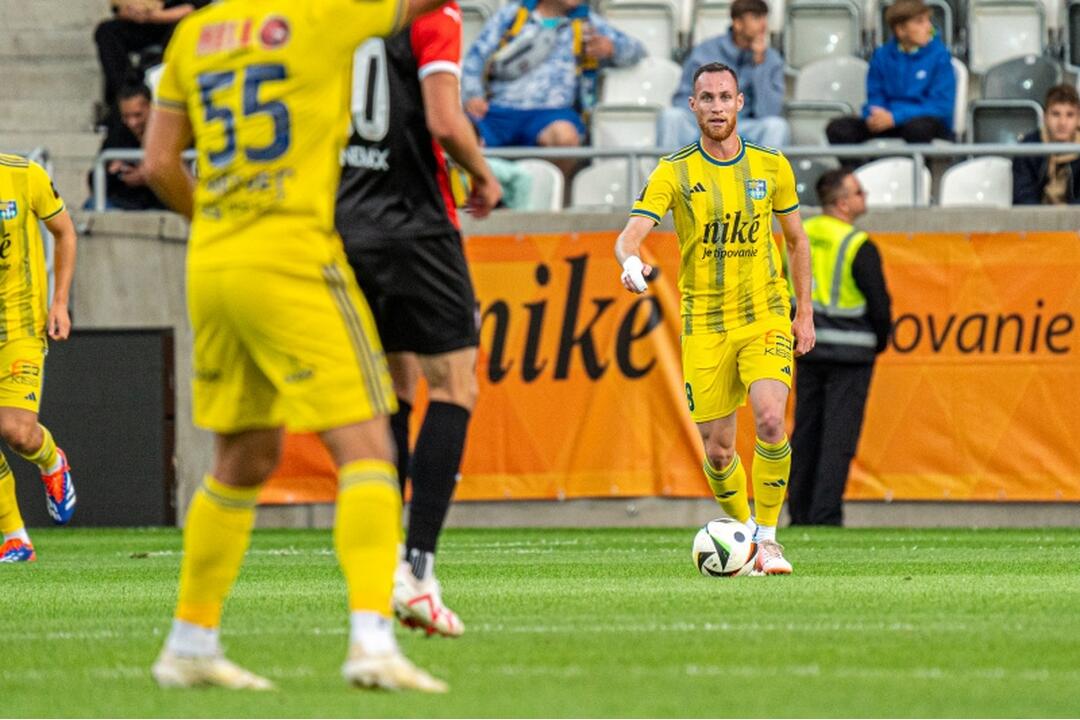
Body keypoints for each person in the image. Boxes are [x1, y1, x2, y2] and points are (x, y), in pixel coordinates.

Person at [143, 0, 453, 693]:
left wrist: (222, 222)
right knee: (370, 448)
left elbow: (159, 162)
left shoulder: (194, 34)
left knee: (244, 455)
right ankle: (372, 640)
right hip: (291, 256)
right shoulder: (324, 17)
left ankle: (190, 640)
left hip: (215, 262)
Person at [336, 2, 502, 639]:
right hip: (418, 225)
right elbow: (443, 118)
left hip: (346, 223)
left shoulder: (343, 14)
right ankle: (418, 568)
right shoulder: (436, 12)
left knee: (393, 391)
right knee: (456, 385)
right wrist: (483, 174)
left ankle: (381, 562)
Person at [614, 62, 815, 574]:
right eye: (707, 98)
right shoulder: (674, 171)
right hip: (704, 323)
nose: (717, 107)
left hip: (764, 314)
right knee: (721, 451)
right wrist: (631, 260)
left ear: (740, 103)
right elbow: (630, 233)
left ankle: (768, 540)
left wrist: (804, 311)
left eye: (725, 97)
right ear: (693, 106)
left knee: (771, 419)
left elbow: (796, 241)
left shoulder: (771, 165)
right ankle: (744, 532)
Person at [787, 169, 892, 526]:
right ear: (843, 202)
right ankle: (826, 514)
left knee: (805, 432)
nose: (865, 198)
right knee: (838, 437)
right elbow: (880, 306)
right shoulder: (857, 244)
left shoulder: (800, 234)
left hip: (807, 347)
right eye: (860, 192)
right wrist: (879, 342)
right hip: (851, 353)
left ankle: (799, 513)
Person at [461, 0, 645, 174]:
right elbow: (474, 59)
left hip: (551, 114)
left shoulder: (587, 23)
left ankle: (545, 198)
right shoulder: (511, 16)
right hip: (499, 112)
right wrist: (473, 95)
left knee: (564, 137)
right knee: (458, 132)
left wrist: (612, 48)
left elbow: (638, 51)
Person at [0, 155, 78, 563]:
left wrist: (60, 303)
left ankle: (51, 459)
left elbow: (64, 233)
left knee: (16, 432)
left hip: (18, 327)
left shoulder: (23, 174)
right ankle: (15, 538)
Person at [656, 0, 789, 151]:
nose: (764, 25)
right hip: (704, 122)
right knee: (672, 117)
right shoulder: (704, 51)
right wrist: (709, 118)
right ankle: (670, 174)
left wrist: (760, 66)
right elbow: (682, 98)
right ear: (738, 23)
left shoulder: (771, 59)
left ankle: (762, 176)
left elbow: (768, 112)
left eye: (765, 17)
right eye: (756, 17)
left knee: (777, 126)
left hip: (743, 125)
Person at [826, 0, 954, 149]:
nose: (929, 27)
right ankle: (857, 171)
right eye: (920, 22)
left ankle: (921, 172)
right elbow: (875, 96)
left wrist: (896, 117)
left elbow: (941, 106)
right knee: (839, 129)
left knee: (918, 129)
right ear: (900, 30)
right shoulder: (881, 56)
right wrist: (873, 116)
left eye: (928, 21)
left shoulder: (940, 56)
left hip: (925, 122)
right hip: (888, 120)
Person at [94, 1, 211, 122]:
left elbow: (197, 9)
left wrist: (156, 16)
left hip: (180, 21)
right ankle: (124, 99)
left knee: (179, 33)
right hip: (145, 20)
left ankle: (163, 99)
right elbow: (119, 7)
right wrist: (130, 11)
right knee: (106, 32)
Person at [86, 84, 166, 211]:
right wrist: (111, 172)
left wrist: (149, 177)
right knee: (92, 205)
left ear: (151, 109)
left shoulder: (168, 132)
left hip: (160, 204)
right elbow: (94, 178)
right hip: (124, 201)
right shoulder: (118, 134)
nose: (132, 123)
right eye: (126, 116)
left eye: (137, 115)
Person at [1012, 84, 1080, 205]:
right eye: (1055, 114)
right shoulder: (1028, 147)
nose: (1062, 122)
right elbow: (1023, 196)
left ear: (1078, 119)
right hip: (1036, 220)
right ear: (1045, 117)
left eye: (1070, 115)